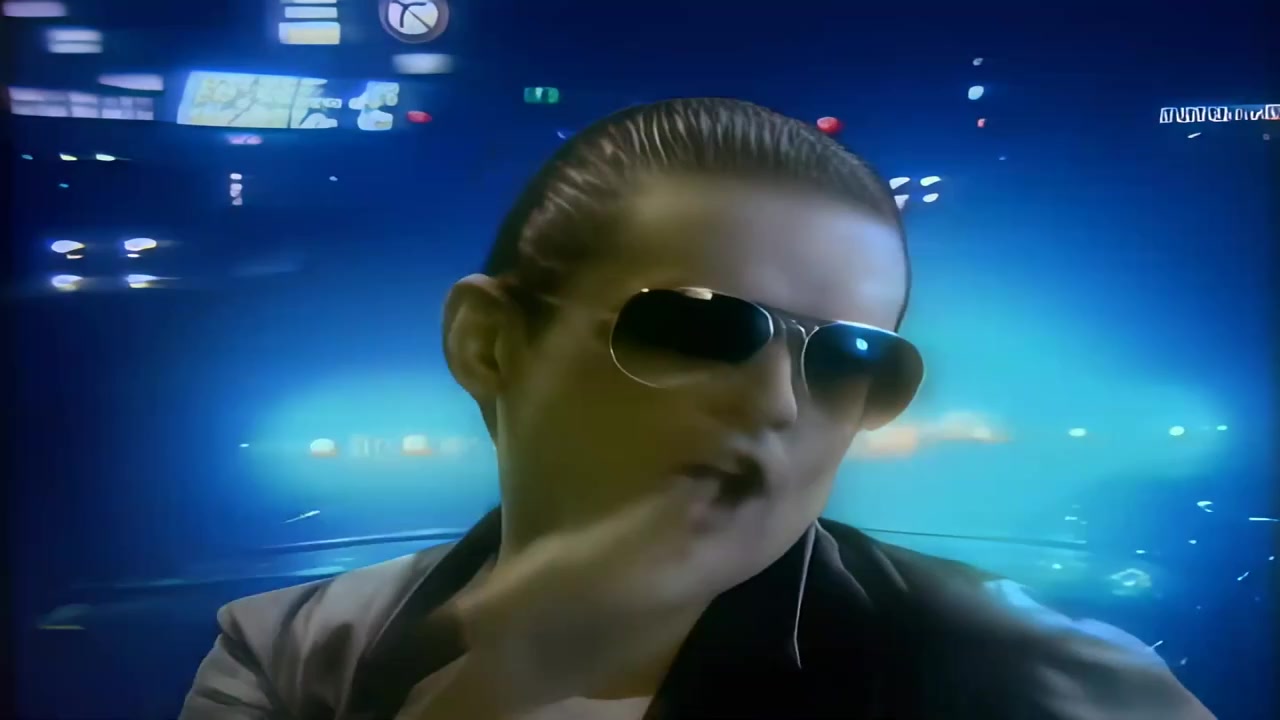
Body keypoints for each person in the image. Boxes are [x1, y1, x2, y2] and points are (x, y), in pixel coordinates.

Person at [180, 98, 1214, 720]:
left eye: (852, 362)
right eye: (697, 330)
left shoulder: (1029, 677)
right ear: (488, 344)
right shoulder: (298, 653)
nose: (777, 404)